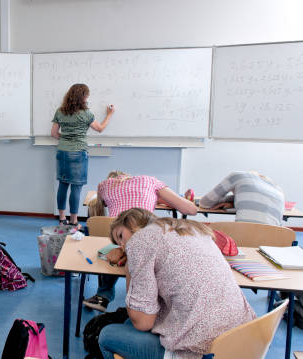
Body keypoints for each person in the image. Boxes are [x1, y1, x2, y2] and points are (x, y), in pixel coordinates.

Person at [98, 208, 256, 359]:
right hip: (243, 338)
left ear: (132, 223)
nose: (123, 246)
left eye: (120, 236)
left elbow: (142, 322)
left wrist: (129, 267)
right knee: (127, 324)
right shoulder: (191, 229)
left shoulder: (140, 241)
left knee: (106, 335)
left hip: (201, 351)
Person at [84, 170, 198, 311]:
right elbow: (190, 210)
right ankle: (146, 301)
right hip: (147, 236)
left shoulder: (104, 185)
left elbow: (99, 203)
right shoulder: (150, 181)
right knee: (137, 251)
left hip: (120, 238)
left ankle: (103, 295)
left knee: (112, 248)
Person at [51, 83, 115, 227]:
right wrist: (109, 114)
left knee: (63, 184)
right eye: (87, 96)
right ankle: (74, 220)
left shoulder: (60, 111)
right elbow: (100, 129)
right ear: (83, 97)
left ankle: (62, 219)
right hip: (78, 153)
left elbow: (54, 134)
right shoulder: (86, 114)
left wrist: (66, 140)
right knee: (76, 187)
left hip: (62, 152)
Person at [199, 171, 284, 226]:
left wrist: (229, 199)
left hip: (243, 238)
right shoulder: (279, 190)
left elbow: (205, 203)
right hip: (273, 245)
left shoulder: (237, 176)